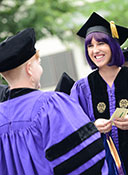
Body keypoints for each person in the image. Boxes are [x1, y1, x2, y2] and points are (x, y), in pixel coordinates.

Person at [0, 28, 109, 175]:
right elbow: (85, 164)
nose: (41, 68)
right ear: (29, 69)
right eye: (38, 63)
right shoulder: (50, 105)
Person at [70, 12, 128, 175]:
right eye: (90, 46)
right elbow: (72, 129)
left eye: (101, 44)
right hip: (103, 167)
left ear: (113, 45)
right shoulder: (81, 89)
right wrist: (93, 128)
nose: (95, 50)